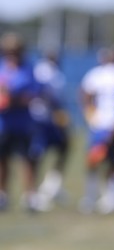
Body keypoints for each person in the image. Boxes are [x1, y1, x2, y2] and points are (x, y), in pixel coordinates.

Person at [78, 46, 114, 214]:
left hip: (101, 125)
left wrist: (91, 116)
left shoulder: (97, 73)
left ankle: (94, 197)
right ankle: (111, 197)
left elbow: (85, 95)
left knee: (95, 162)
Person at [0, 32, 41, 211]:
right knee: (2, 160)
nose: (12, 54)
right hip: (3, 124)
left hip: (23, 123)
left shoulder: (28, 70)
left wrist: (12, 99)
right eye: (9, 50)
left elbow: (32, 95)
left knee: (27, 160)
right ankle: (3, 195)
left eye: (15, 50)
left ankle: (29, 197)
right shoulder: (2, 68)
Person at [30, 50, 71, 211]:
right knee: (37, 154)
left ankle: (51, 186)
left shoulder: (54, 71)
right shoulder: (43, 70)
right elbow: (44, 94)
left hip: (50, 118)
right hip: (42, 119)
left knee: (63, 148)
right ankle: (35, 193)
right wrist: (57, 112)